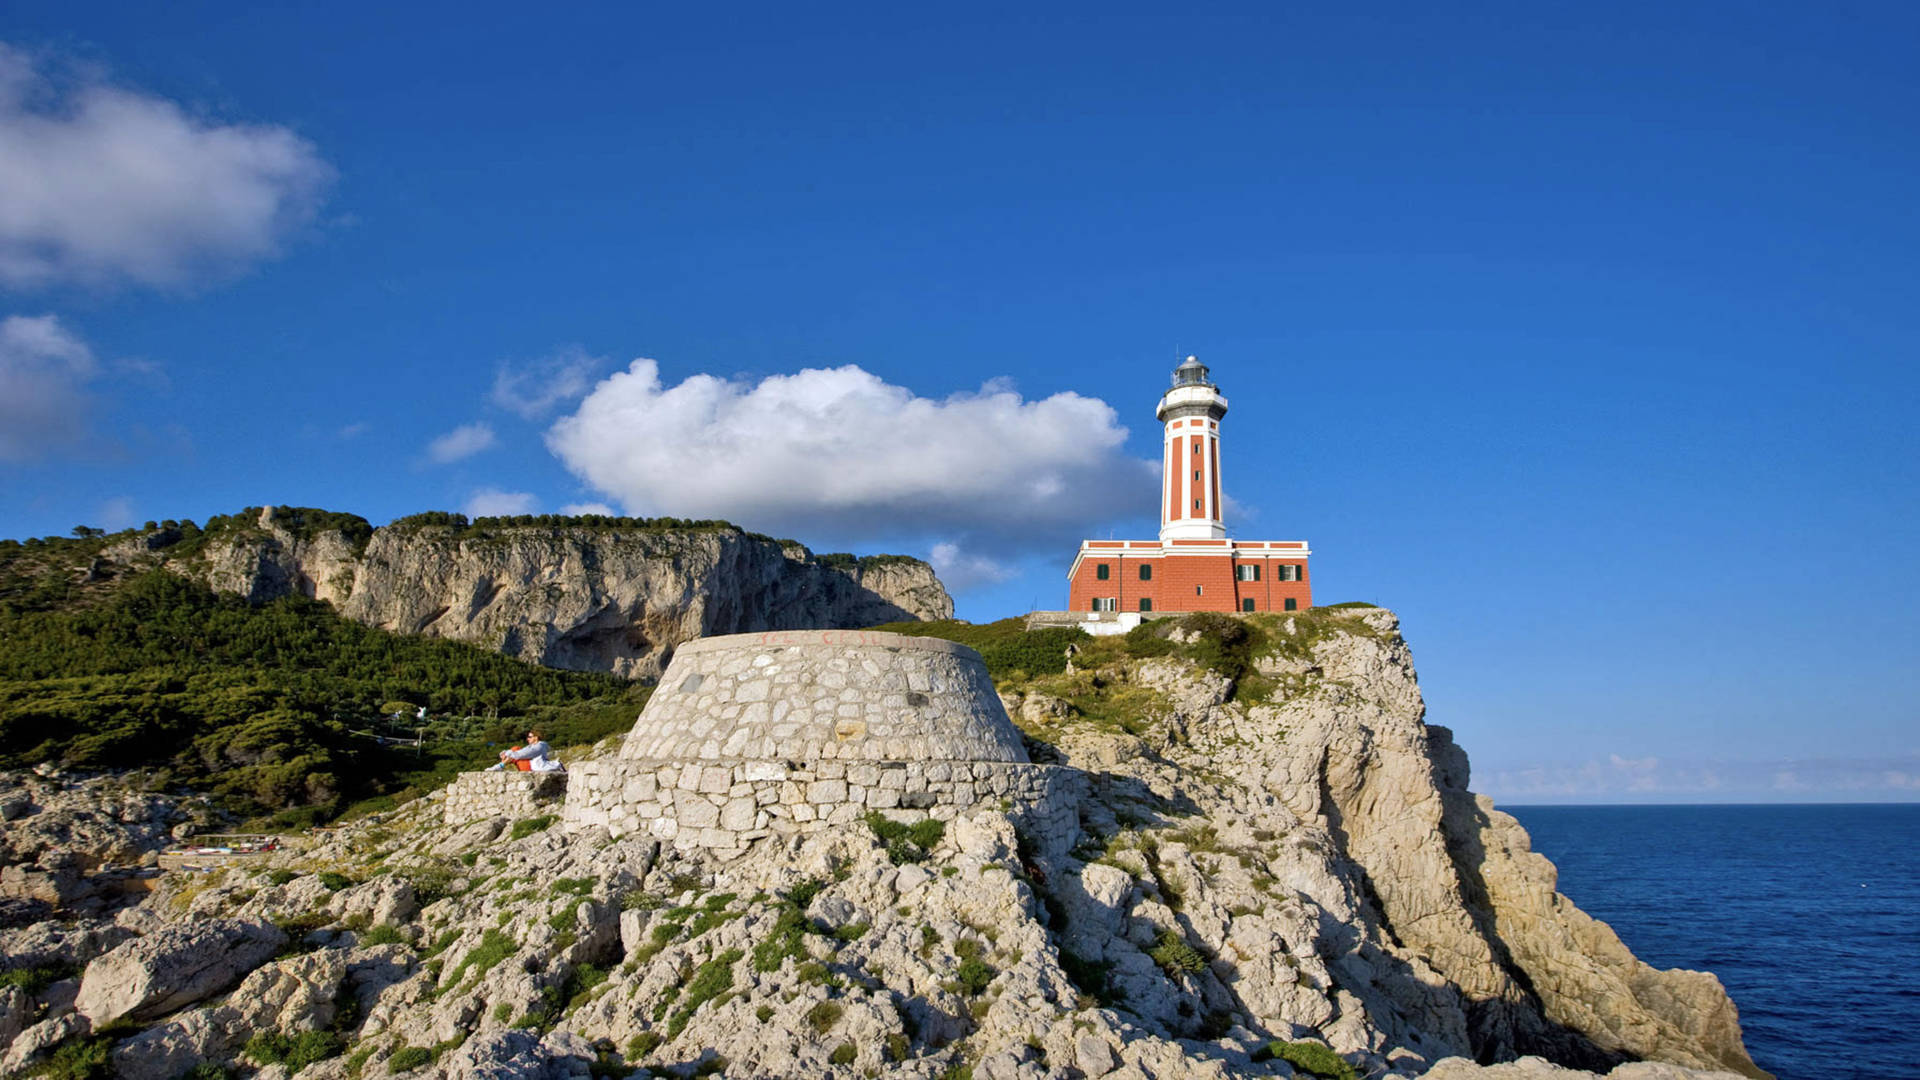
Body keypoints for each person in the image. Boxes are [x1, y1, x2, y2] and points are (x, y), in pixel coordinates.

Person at [487, 729, 561, 771]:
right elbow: (521, 751)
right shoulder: (533, 745)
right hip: (530, 765)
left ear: (536, 737)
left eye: (529, 737)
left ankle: (499, 766)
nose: (527, 738)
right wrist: (506, 752)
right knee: (515, 749)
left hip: (532, 767)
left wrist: (507, 753)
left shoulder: (539, 746)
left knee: (515, 750)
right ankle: (500, 766)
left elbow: (522, 754)